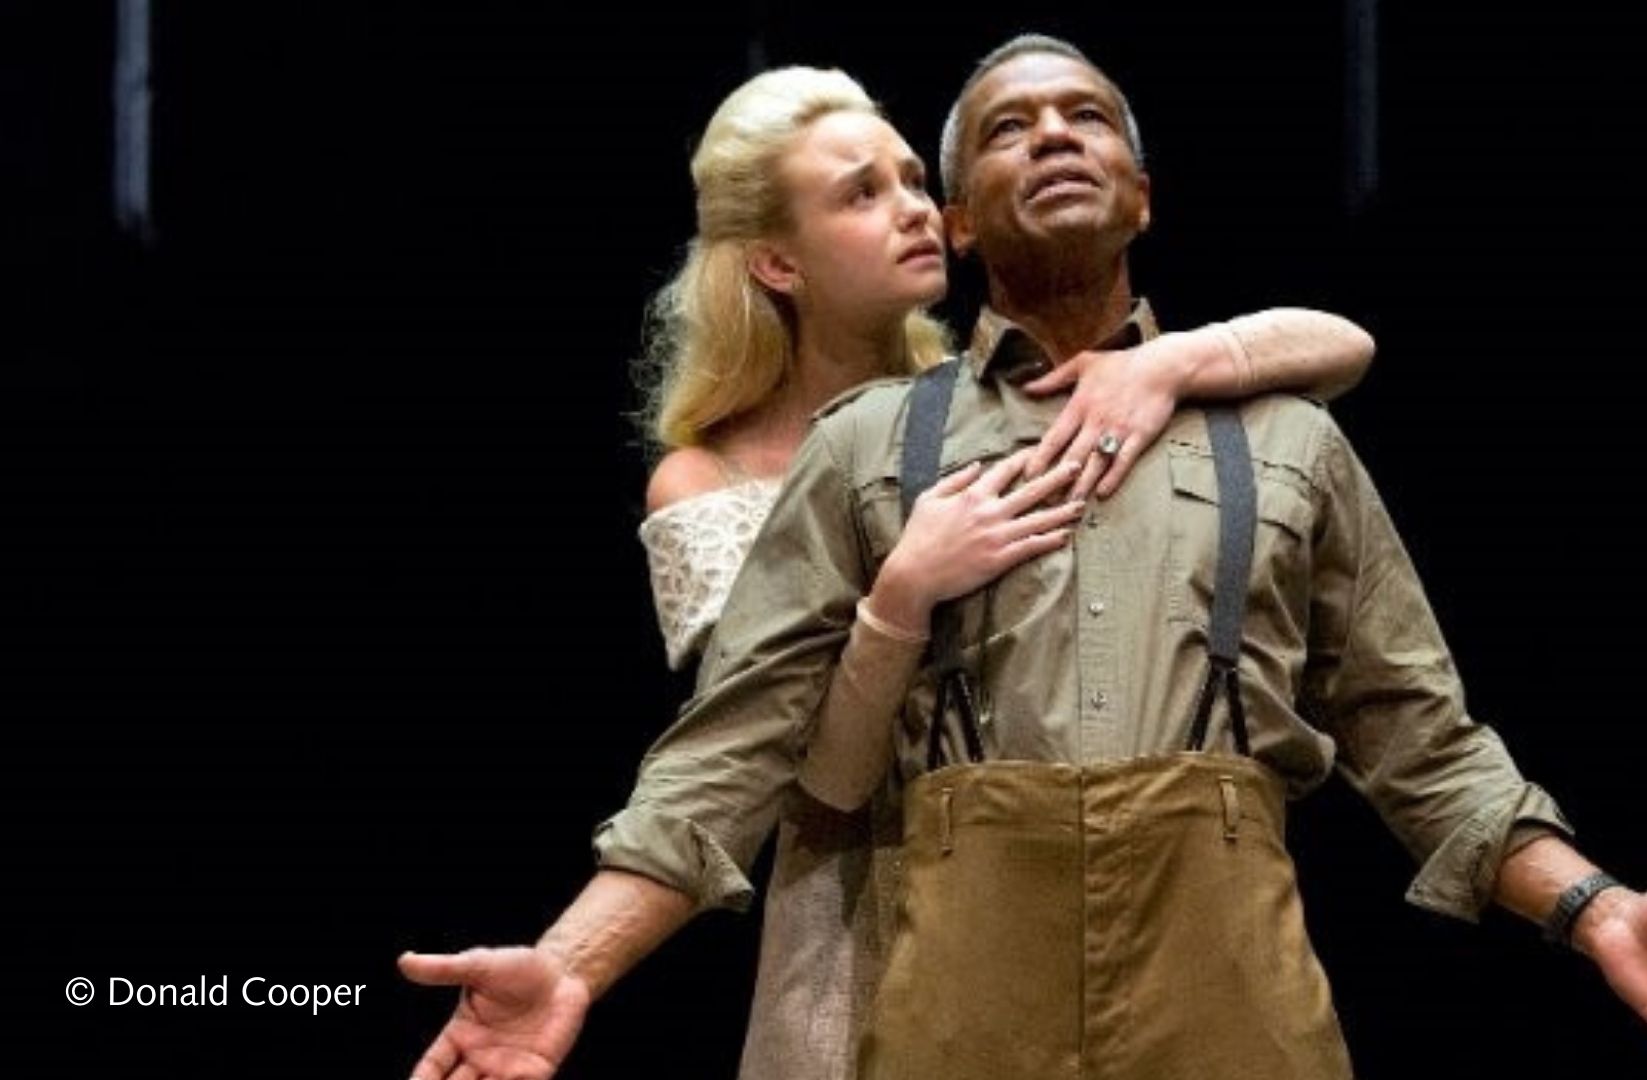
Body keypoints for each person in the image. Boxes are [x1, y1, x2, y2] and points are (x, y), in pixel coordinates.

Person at [399, 63, 1376, 1080]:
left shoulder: (988, 401)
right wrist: (903, 592)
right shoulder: (740, 471)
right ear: (778, 262)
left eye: (914, 181)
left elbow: (1337, 343)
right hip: (866, 896)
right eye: (862, 195)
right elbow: (780, 760)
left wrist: (1168, 362)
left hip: (1100, 904)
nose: (908, 211)